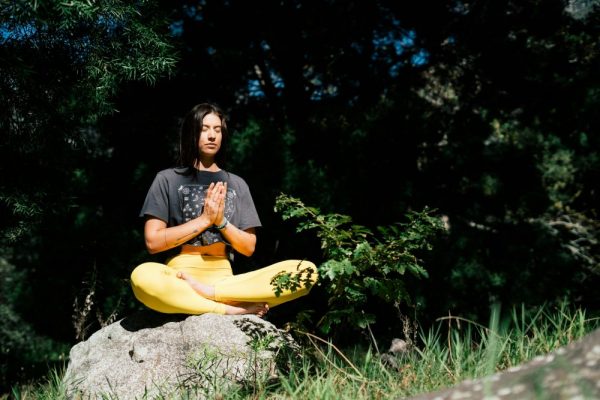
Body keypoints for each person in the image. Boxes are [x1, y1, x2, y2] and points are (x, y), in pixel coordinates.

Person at [130, 102, 318, 317]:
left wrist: (221, 222)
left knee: (306, 272)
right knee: (142, 276)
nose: (212, 136)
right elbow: (153, 242)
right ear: (191, 132)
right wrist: (204, 219)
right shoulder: (167, 179)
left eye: (217, 130)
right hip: (180, 277)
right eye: (204, 129)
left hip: (226, 279)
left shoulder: (237, 184)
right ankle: (226, 308)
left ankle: (210, 294)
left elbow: (248, 247)